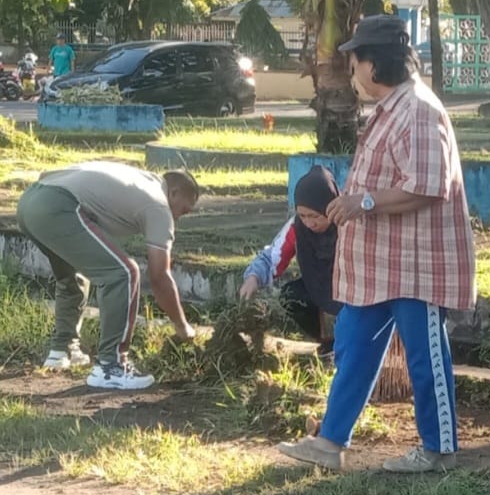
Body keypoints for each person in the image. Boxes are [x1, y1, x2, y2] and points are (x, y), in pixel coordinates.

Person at [275, 15, 476, 474]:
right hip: (379, 265)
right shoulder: (394, 108)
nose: (352, 72)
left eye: (355, 62)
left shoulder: (418, 110)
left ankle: (439, 449)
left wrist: (362, 201)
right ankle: (330, 442)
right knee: (353, 348)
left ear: (374, 64)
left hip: (415, 264)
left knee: (424, 357)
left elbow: (428, 186)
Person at [16, 161, 199, 390]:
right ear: (174, 192)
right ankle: (111, 367)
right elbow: (159, 277)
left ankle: (62, 349)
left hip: (30, 202)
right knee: (123, 273)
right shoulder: (159, 205)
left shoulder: (140, 180)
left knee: (73, 273)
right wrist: (182, 326)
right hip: (59, 205)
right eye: (184, 210)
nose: (179, 218)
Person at [239, 165, 342, 360]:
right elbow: (271, 256)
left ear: (330, 208)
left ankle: (348, 343)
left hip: (353, 294)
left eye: (315, 216)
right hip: (318, 288)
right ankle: (328, 342)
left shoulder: (349, 224)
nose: (309, 223)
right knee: (291, 296)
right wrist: (253, 277)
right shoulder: (297, 227)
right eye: (303, 216)